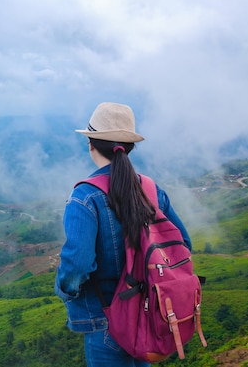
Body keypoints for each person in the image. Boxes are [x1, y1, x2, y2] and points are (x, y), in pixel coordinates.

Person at [54, 102, 192, 367]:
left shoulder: (85, 196)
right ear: (129, 147)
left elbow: (77, 266)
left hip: (103, 320)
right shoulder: (150, 190)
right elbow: (183, 245)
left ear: (91, 144)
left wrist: (64, 291)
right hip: (148, 315)